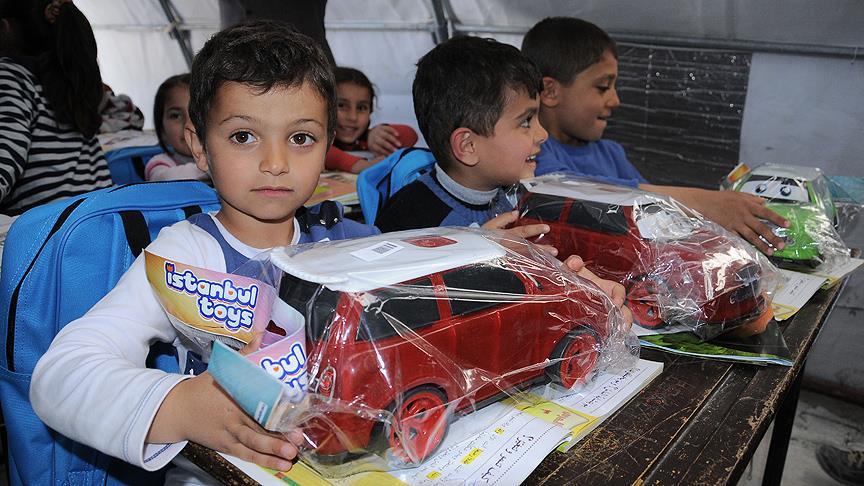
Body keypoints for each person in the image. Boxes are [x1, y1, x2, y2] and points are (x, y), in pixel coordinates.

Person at [30, 20, 379, 482]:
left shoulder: (348, 242)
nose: (275, 163)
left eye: (300, 138)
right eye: (243, 136)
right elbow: (60, 377)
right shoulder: (187, 254)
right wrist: (181, 407)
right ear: (198, 145)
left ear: (327, 145)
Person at [373, 36, 631, 327]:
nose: (542, 134)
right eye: (526, 121)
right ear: (468, 146)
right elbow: (394, 311)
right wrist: (471, 252)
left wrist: (588, 287)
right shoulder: (407, 221)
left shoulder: (518, 200)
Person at [521, 17, 790, 256]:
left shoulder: (610, 153)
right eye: (602, 87)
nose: (615, 100)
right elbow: (565, 188)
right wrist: (702, 202)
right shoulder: (534, 155)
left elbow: (654, 211)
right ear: (550, 91)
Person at [0, 0, 112, 214]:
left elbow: (5, 159)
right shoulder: (71, 77)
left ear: (5, 28)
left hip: (48, 225)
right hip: (98, 217)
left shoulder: (12, 76)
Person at [325, 66, 418, 173]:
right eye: (341, 105)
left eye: (361, 108)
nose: (352, 117)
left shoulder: (368, 141)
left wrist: (377, 134)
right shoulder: (317, 141)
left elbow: (411, 135)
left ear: (371, 111)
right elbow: (324, 152)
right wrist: (359, 165)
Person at [144, 73, 209, 182]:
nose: (188, 123)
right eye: (175, 116)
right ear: (162, 130)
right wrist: (215, 166)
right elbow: (166, 179)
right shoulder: (159, 164)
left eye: (197, 113)